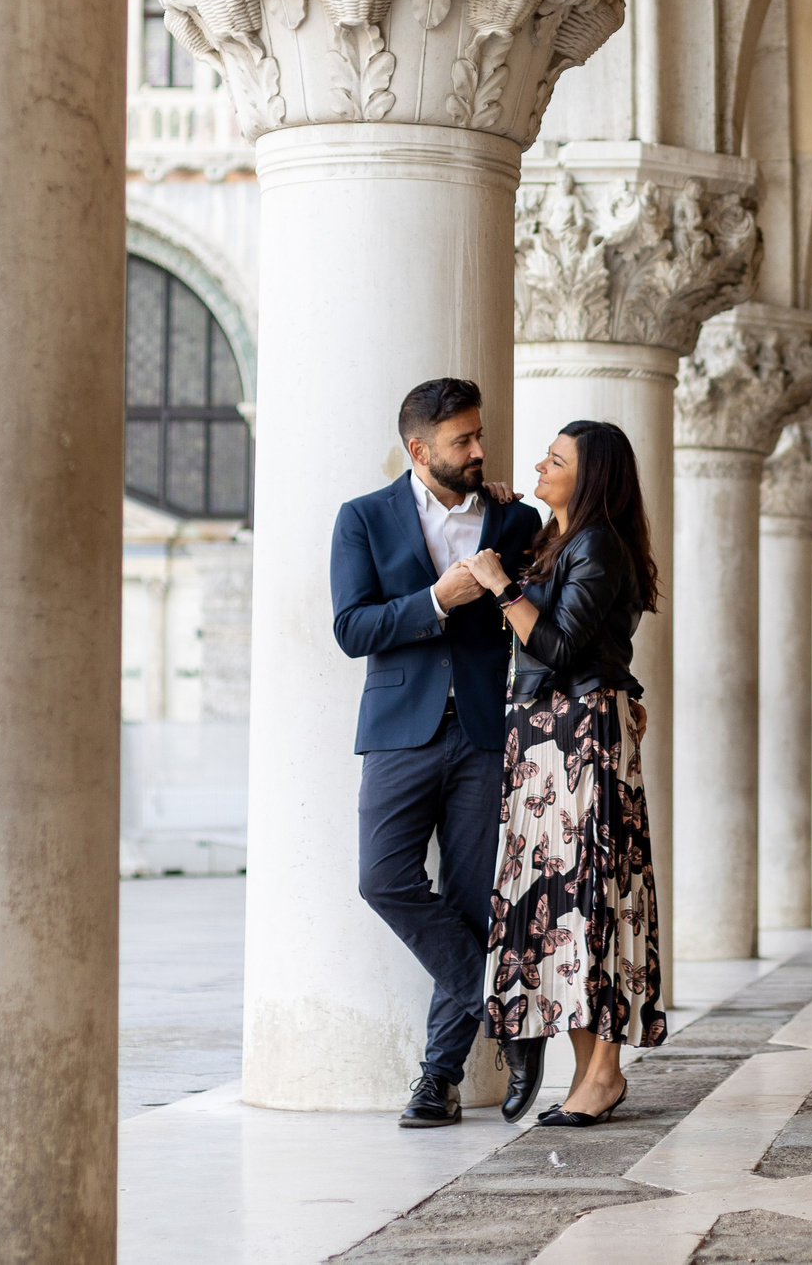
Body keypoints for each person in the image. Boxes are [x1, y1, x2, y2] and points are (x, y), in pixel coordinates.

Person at [330, 378, 541, 1128]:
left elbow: (544, 600)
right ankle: (508, 1012)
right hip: (398, 733)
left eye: (479, 435)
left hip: (486, 733)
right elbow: (351, 627)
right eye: (463, 441)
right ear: (420, 450)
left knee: (469, 899)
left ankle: (439, 1078)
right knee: (382, 877)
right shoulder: (362, 518)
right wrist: (434, 601)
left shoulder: (515, 517)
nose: (480, 449)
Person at [465, 420, 666, 1127]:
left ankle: (605, 1069)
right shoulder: (558, 540)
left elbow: (555, 642)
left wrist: (497, 586)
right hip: (547, 737)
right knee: (561, 900)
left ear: (592, 477)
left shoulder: (599, 543)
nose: (540, 466)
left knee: (591, 899)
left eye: (557, 460)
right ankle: (589, 1068)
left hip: (581, 737)